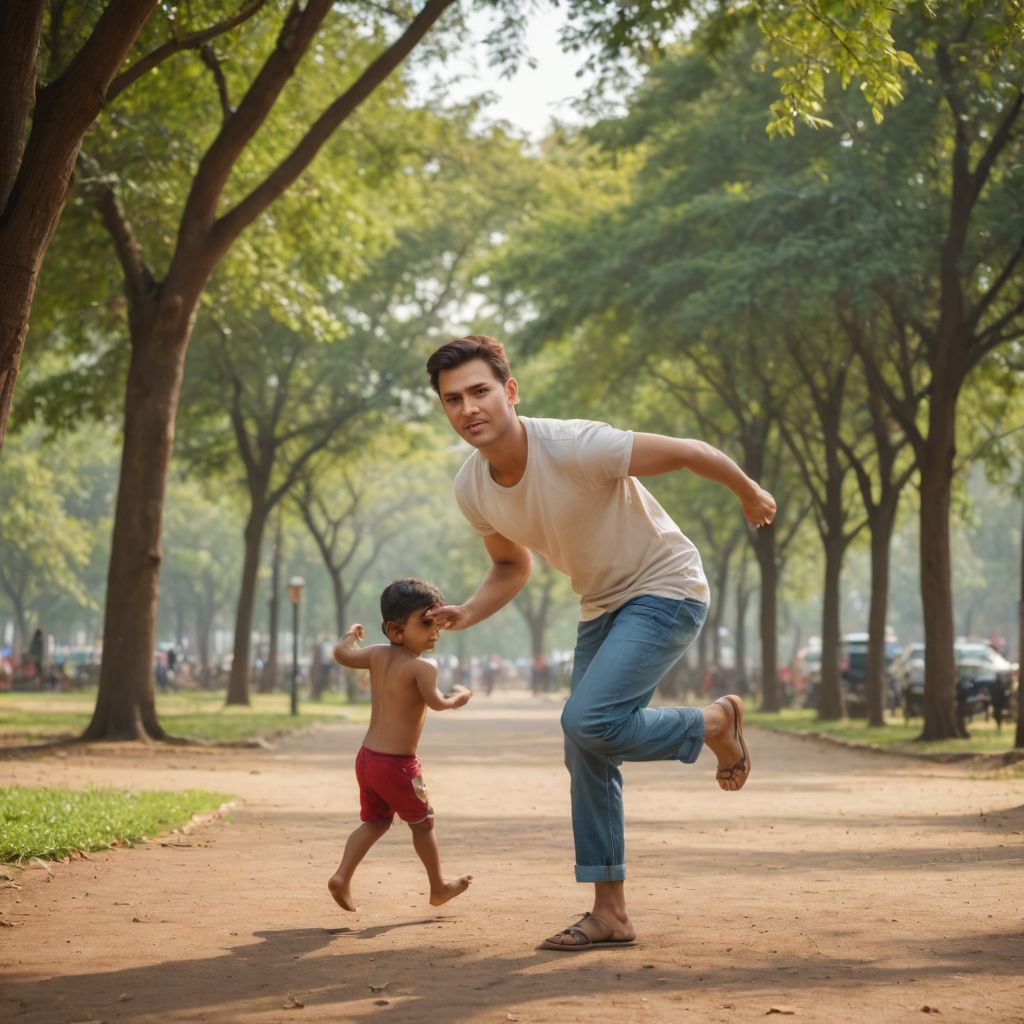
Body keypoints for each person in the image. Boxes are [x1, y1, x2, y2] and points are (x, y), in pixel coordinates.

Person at [425, 334, 776, 951]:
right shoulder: (472, 488)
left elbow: (692, 452)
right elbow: (511, 565)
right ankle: (610, 914)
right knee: (585, 742)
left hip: (666, 587)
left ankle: (713, 723)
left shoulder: (575, 445)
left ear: (509, 392)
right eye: (453, 400)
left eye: (480, 391)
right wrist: (468, 612)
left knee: (587, 719)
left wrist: (748, 492)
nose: (468, 408)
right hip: (602, 603)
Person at [328, 578, 474, 912]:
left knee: (376, 822)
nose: (434, 632)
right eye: (425, 624)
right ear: (396, 630)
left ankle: (341, 877)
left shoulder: (377, 656)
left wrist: (351, 635)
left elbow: (340, 654)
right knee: (424, 823)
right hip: (397, 766)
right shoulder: (423, 667)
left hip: (366, 759)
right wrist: (458, 699)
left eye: (436, 624)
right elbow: (436, 703)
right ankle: (438, 887)